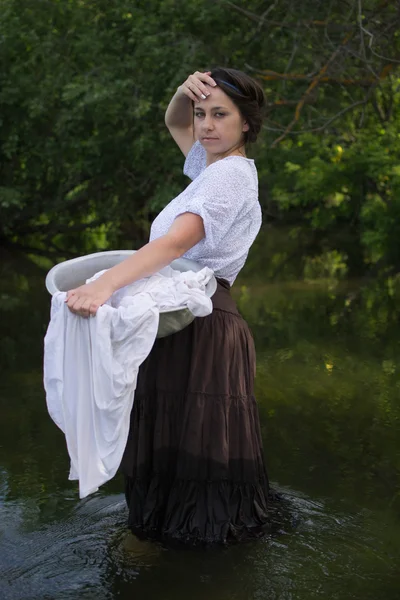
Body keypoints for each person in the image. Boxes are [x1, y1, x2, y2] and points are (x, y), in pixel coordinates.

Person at [66, 67, 271, 545]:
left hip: (204, 317)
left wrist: (104, 286)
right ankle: (168, 542)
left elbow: (178, 242)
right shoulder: (211, 169)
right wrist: (184, 93)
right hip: (183, 316)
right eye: (202, 114)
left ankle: (194, 557)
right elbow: (174, 124)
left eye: (220, 115)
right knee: (176, 434)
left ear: (246, 124)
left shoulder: (231, 177)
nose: (204, 125)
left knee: (194, 439)